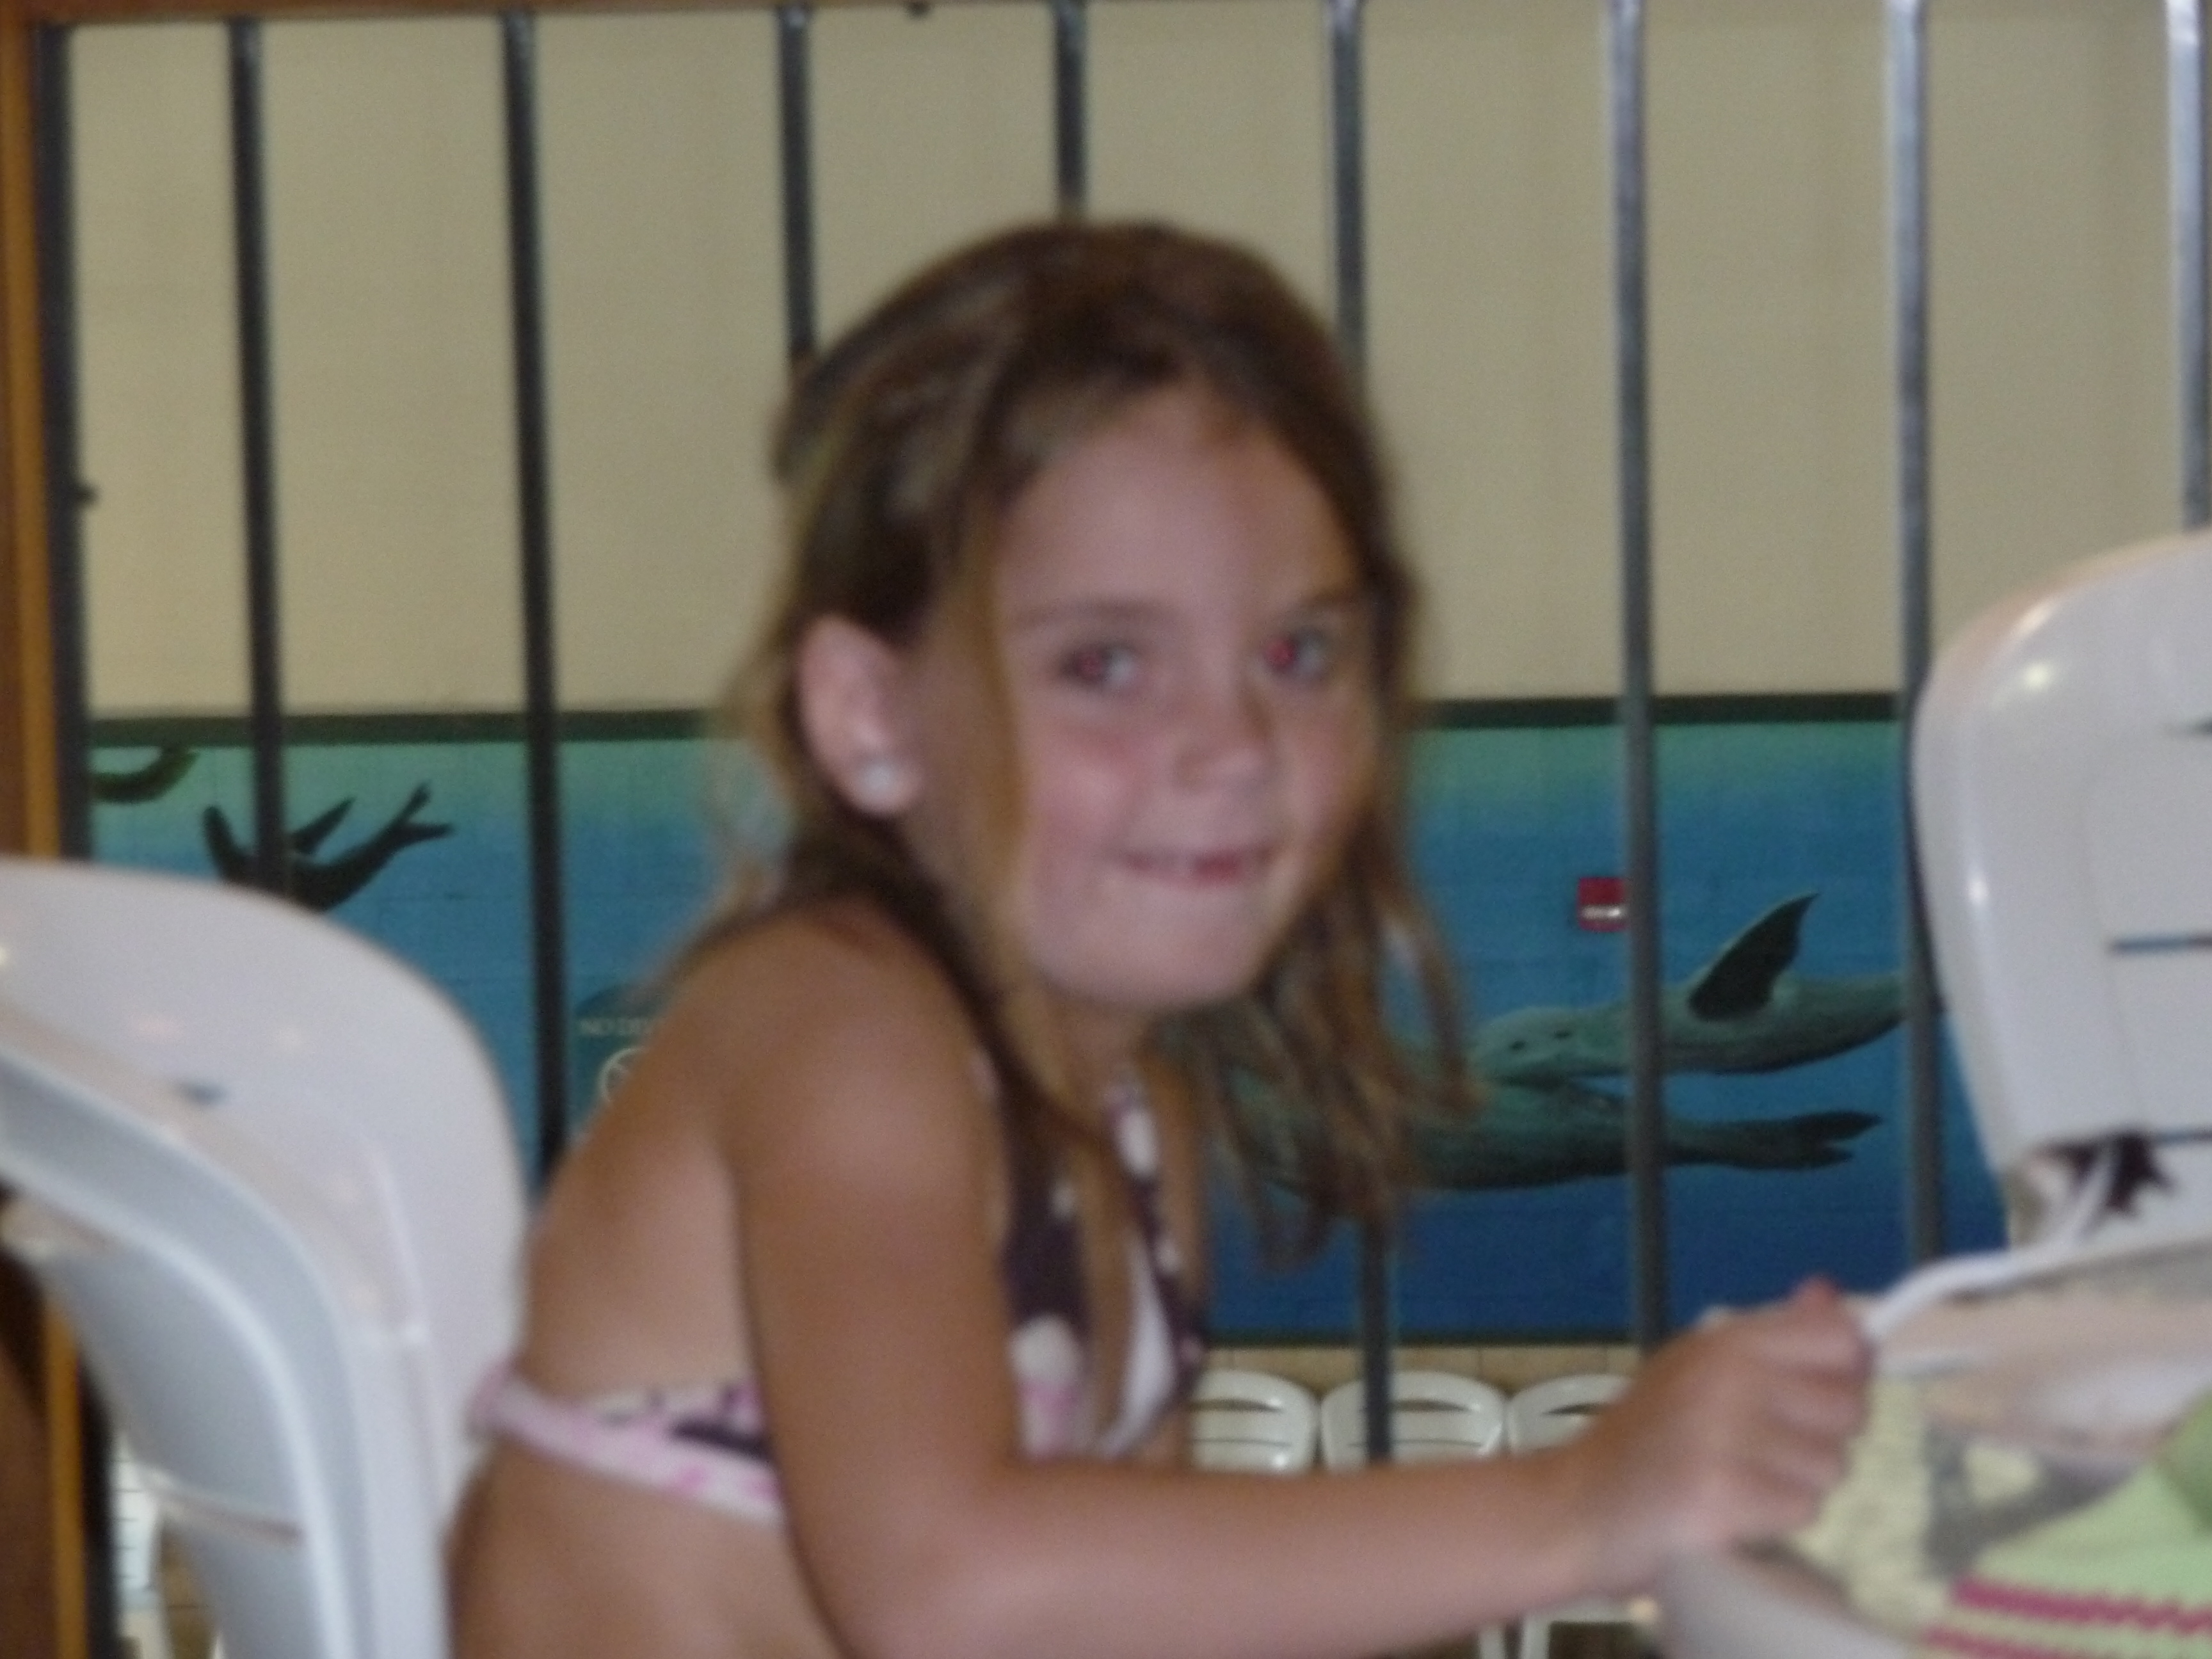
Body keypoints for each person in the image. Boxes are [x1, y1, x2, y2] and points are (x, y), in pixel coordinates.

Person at [448, 219, 1869, 1659]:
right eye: (1108, 664)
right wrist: (1578, 1501)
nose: (1234, 743)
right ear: (871, 716)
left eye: (1298, 653)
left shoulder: (1136, 1120)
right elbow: (947, 1589)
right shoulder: (836, 1027)